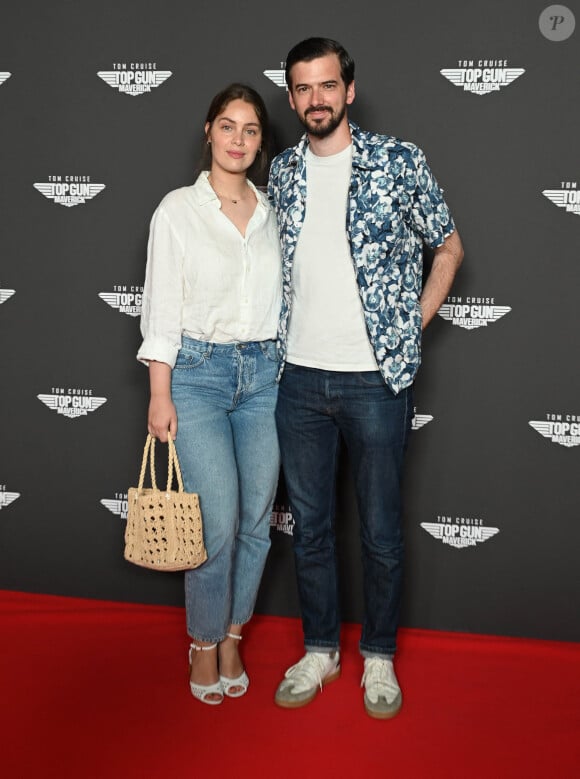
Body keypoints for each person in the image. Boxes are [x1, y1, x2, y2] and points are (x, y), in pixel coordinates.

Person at [268, 38, 464, 719]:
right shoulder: (283, 172)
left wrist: (413, 322)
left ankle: (377, 656)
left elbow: (449, 244)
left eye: (328, 85)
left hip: (375, 380)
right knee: (312, 527)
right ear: (291, 97)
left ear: (349, 90)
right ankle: (320, 647)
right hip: (297, 381)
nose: (316, 98)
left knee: (380, 530)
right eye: (303, 87)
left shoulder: (397, 160)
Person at [137, 83, 282, 706]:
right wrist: (159, 394)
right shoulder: (177, 210)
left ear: (259, 141)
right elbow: (162, 308)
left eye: (250, 130)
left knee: (256, 521)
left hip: (266, 378)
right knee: (216, 520)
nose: (239, 140)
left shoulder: (276, 212)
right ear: (208, 131)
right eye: (228, 126)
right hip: (196, 377)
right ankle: (201, 643)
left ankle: (231, 634)